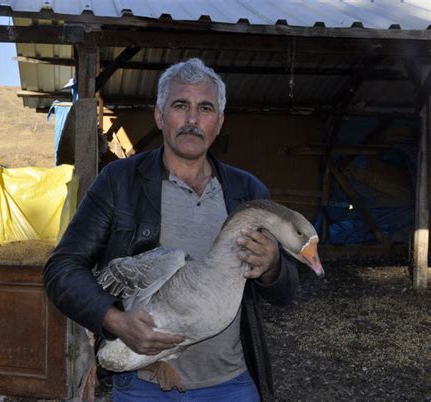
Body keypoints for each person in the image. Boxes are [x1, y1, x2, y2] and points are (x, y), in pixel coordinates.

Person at [44, 58, 299, 402]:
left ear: (219, 122)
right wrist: (114, 320)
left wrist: (273, 268)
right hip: (143, 385)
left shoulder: (248, 192)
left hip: (230, 383)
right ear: (160, 116)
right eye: (181, 106)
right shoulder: (120, 183)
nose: (192, 119)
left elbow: (286, 292)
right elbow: (62, 269)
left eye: (205, 108)